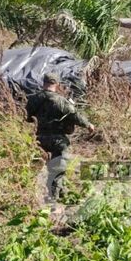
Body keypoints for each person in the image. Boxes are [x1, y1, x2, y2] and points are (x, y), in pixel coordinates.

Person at [26, 72, 95, 201]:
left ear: (44, 83)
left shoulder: (33, 99)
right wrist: (88, 125)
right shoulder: (60, 101)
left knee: (36, 167)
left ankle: (52, 191)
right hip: (57, 140)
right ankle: (54, 197)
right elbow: (75, 115)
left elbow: (27, 117)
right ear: (57, 84)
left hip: (38, 138)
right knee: (58, 167)